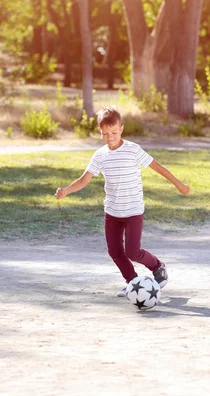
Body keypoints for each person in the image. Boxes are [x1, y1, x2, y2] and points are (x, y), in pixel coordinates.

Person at [55, 106, 190, 295]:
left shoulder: (133, 150)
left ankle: (158, 267)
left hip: (133, 211)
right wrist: (66, 191)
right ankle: (134, 283)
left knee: (132, 252)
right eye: (105, 133)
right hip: (112, 212)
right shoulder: (100, 155)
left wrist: (179, 184)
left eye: (114, 132)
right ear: (100, 132)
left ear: (122, 129)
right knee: (115, 251)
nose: (110, 137)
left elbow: (158, 168)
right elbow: (84, 179)